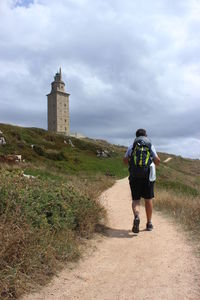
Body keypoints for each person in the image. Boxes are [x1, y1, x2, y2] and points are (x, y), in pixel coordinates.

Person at [123, 128, 160, 233]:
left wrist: (130, 159)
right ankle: (149, 223)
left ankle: (136, 217)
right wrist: (153, 160)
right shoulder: (150, 146)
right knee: (148, 200)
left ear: (136, 136)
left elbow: (125, 161)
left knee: (136, 200)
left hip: (134, 176)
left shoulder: (132, 146)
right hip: (148, 177)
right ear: (146, 136)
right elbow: (157, 161)